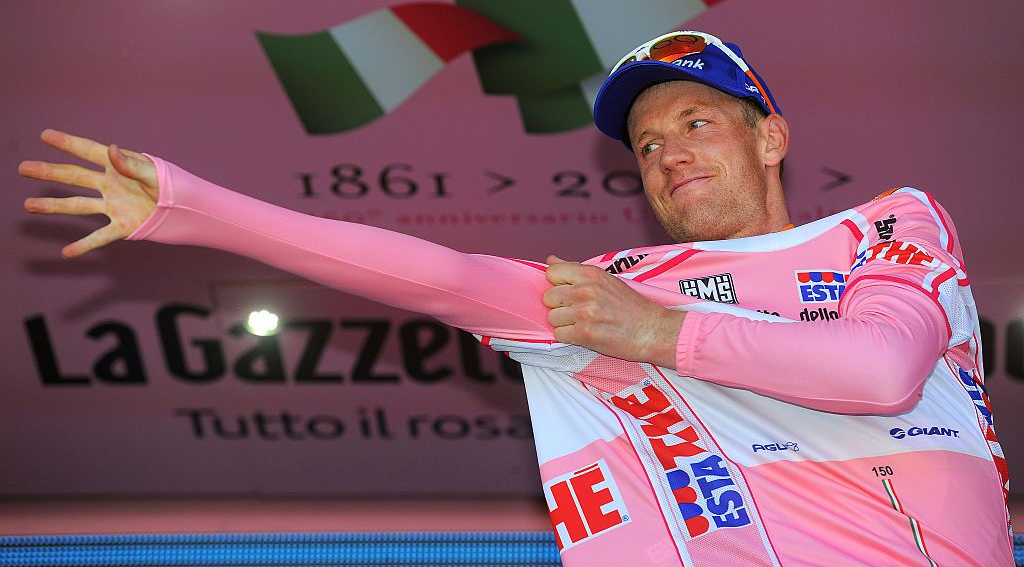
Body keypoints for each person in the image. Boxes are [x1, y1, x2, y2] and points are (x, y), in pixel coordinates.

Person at [19, 30, 1012, 566]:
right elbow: (439, 276)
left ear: (769, 139)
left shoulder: (884, 226)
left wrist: (660, 335)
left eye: (696, 122)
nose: (667, 154)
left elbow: (882, 371)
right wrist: (192, 208)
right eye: (648, 145)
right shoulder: (611, 293)